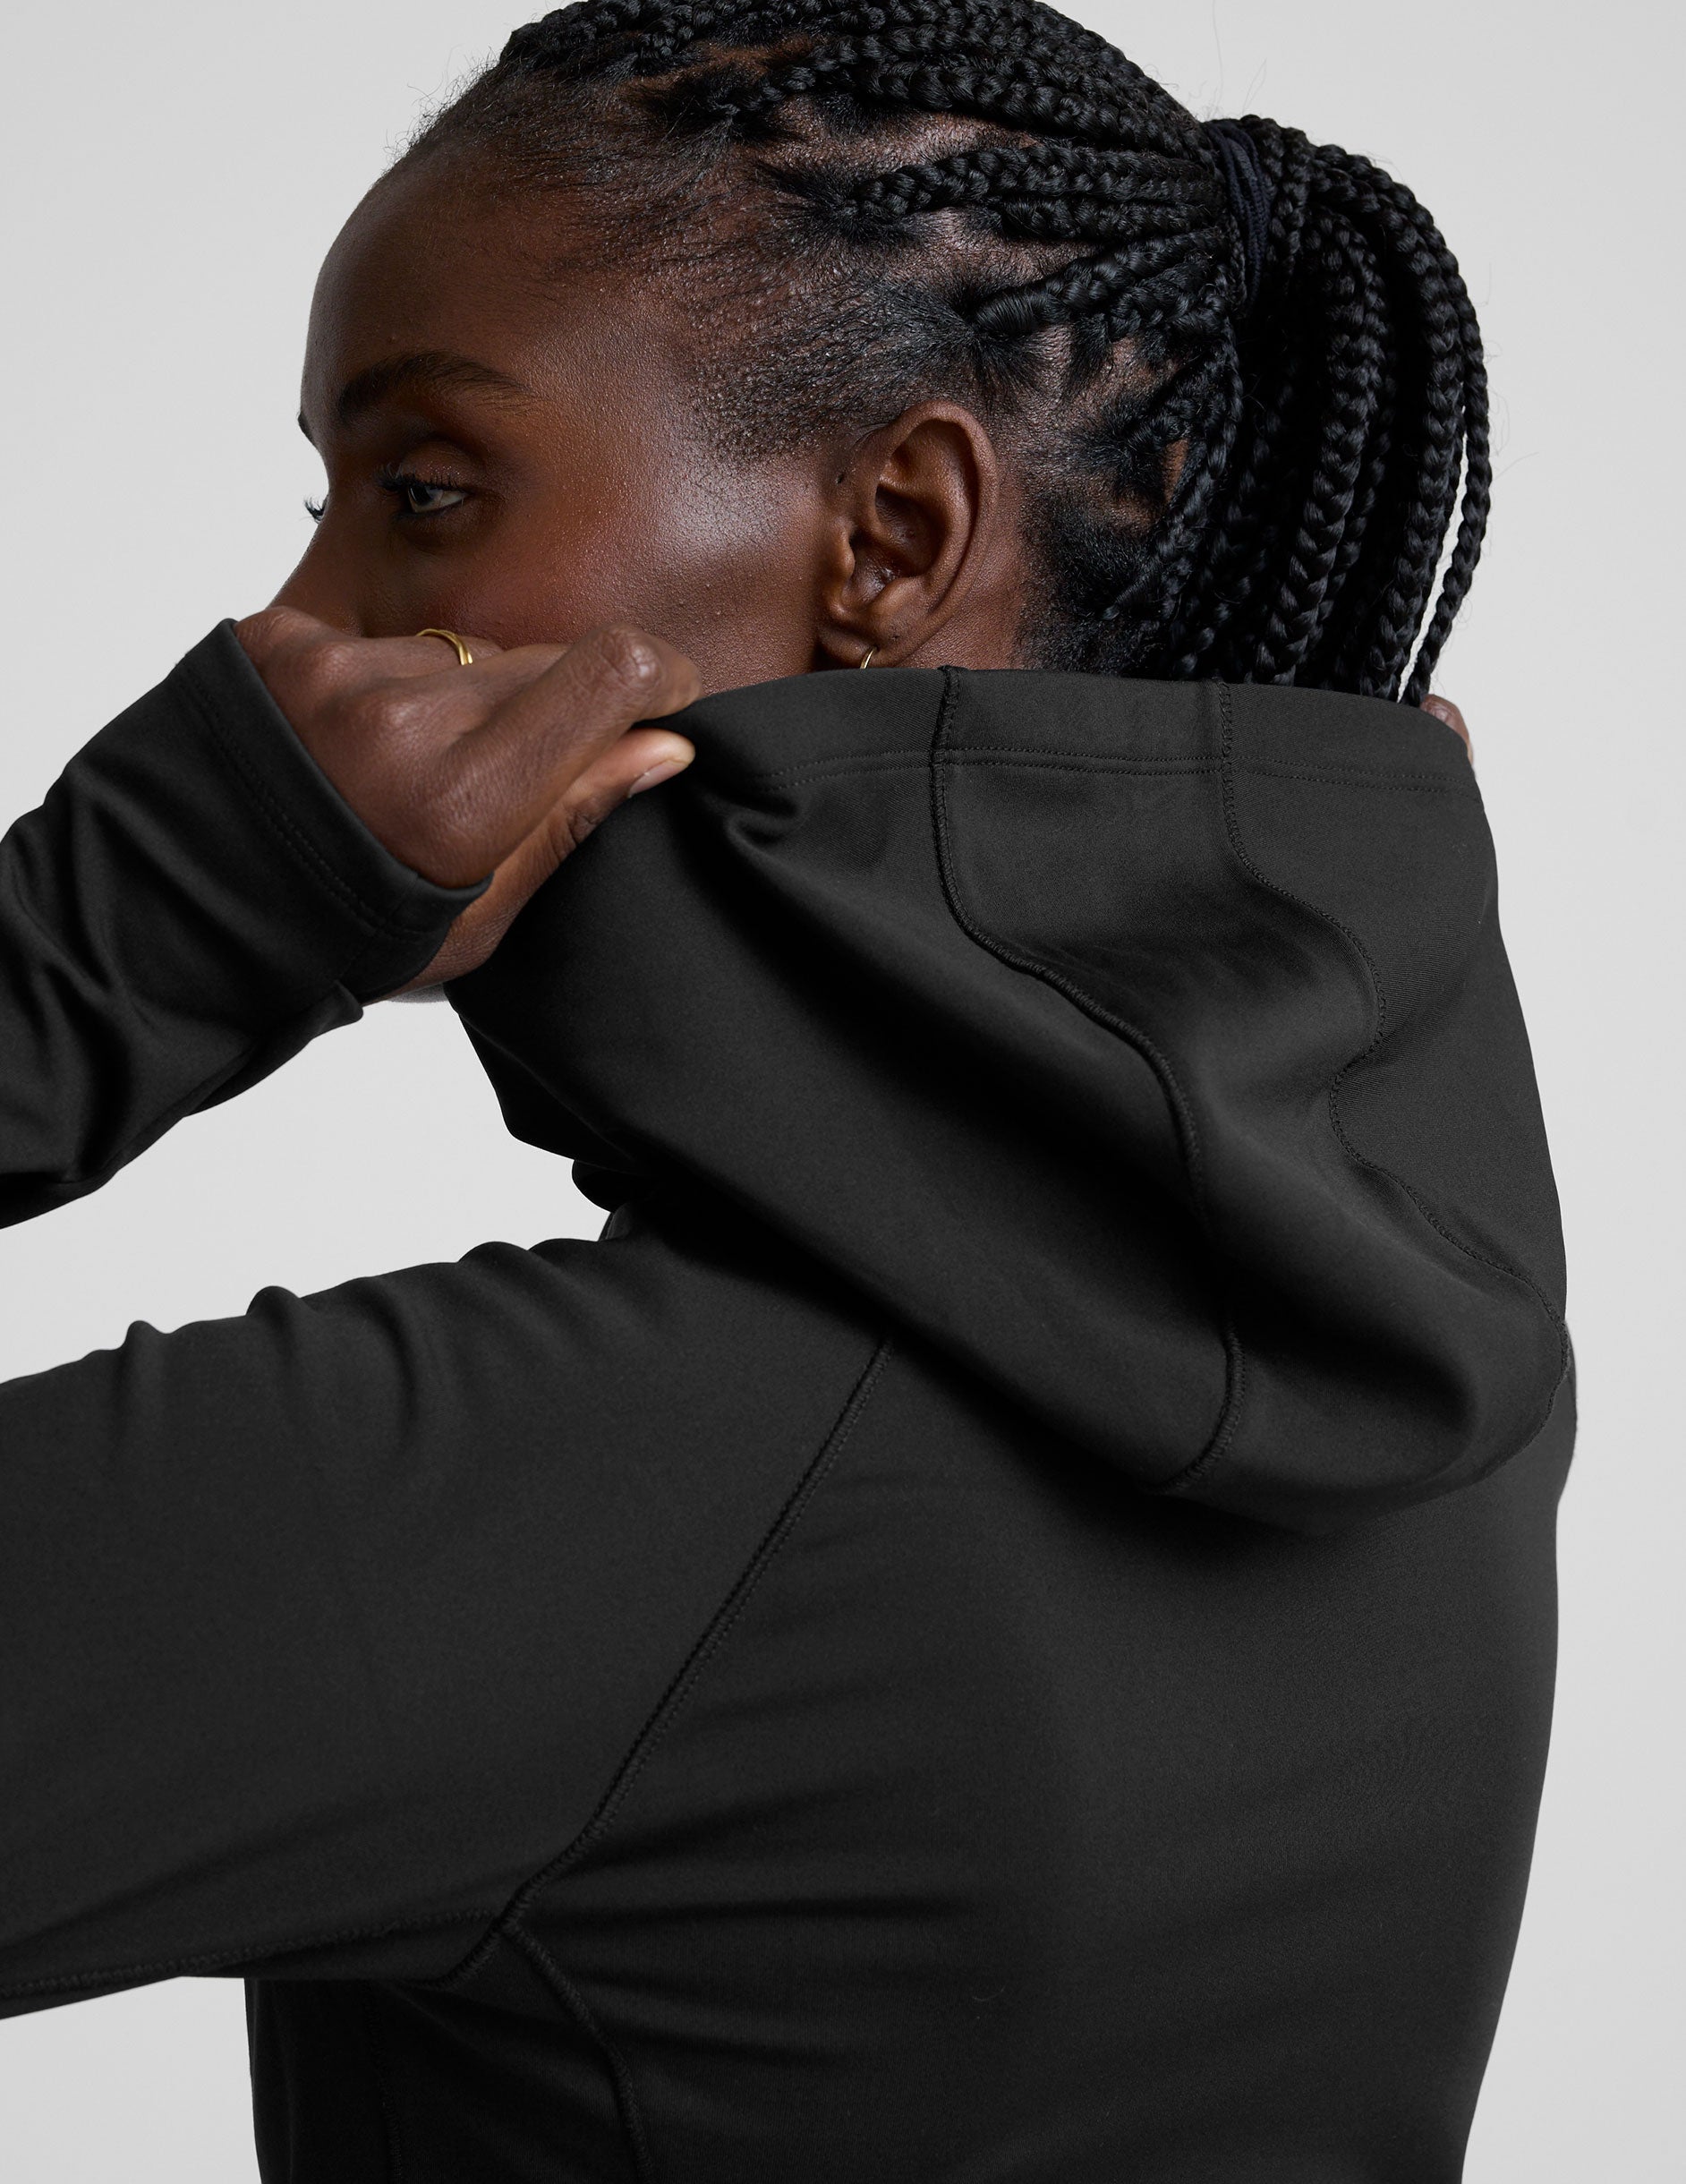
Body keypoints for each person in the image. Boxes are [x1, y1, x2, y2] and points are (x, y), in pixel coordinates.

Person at [0, 4, 1570, 2179]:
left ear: (894, 540)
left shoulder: (568, 1494)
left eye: (427, 491)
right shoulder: (1426, 1348)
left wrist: (106, 948)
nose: (295, 634)